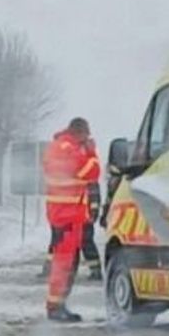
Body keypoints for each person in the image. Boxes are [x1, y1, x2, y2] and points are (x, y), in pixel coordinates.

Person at [43, 117, 100, 322]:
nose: (87, 140)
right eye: (86, 136)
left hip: (63, 213)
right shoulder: (68, 148)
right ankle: (56, 306)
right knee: (65, 263)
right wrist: (91, 152)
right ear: (79, 132)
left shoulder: (57, 146)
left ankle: (58, 304)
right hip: (67, 214)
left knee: (66, 261)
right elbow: (91, 172)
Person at [39, 136, 103, 281]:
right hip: (66, 212)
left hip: (81, 213)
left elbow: (93, 190)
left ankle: (96, 270)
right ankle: (51, 269)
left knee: (84, 240)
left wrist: (93, 212)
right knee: (59, 240)